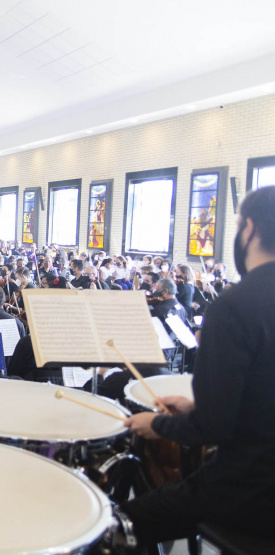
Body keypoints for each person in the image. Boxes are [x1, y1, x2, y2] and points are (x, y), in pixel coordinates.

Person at [122, 186, 275, 548]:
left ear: (249, 229)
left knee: (120, 526)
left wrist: (156, 423)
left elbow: (213, 426)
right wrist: (195, 407)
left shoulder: (234, 306)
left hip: (249, 490)